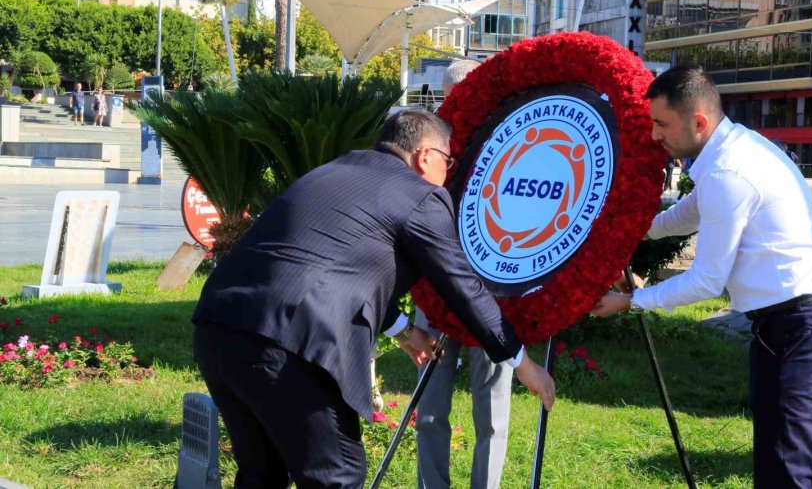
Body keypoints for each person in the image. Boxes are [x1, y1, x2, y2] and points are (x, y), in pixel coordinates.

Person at [192, 109, 556, 489]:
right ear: (425, 156)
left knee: (261, 474)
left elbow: (334, 262)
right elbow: (462, 285)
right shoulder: (421, 195)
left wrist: (401, 328)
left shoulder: (336, 170)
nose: (447, 174)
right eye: (447, 161)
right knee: (337, 476)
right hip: (289, 345)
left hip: (218, 325)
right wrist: (522, 362)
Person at [592, 66, 812, 489]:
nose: (654, 134)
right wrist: (630, 228)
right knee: (783, 457)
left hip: (804, 326)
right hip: (788, 324)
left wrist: (632, 301)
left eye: (661, 123)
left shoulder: (729, 171)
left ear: (698, 122)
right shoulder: (728, 151)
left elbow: (706, 282)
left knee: (787, 466)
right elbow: (689, 212)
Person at [414, 59, 513, 489]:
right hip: (435, 291)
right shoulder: (425, 146)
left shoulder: (506, 137)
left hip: (491, 294)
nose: (458, 106)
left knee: (491, 412)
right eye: (451, 97)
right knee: (430, 408)